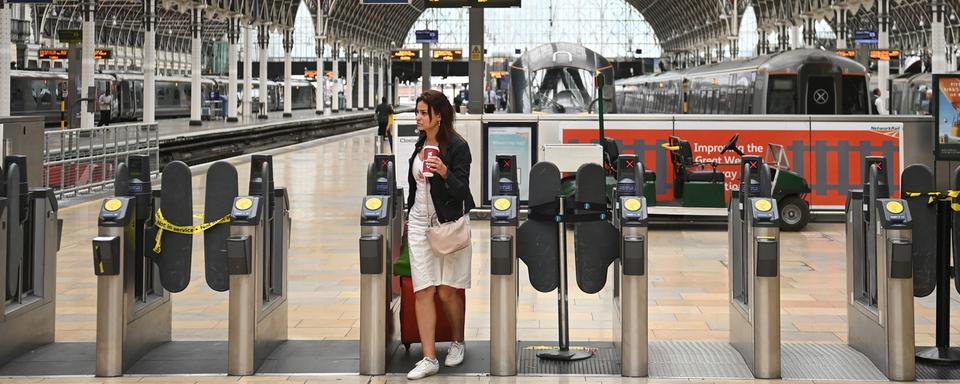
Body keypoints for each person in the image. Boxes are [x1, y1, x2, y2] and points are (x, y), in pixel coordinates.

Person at [405, 89, 476, 380]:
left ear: (438, 116)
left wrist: (445, 172)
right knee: (423, 290)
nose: (418, 118)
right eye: (417, 113)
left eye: (424, 113)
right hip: (419, 224)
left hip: (447, 225)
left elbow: (462, 191)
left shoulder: (458, 147)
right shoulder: (419, 143)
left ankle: (457, 342)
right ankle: (429, 357)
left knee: (447, 291)